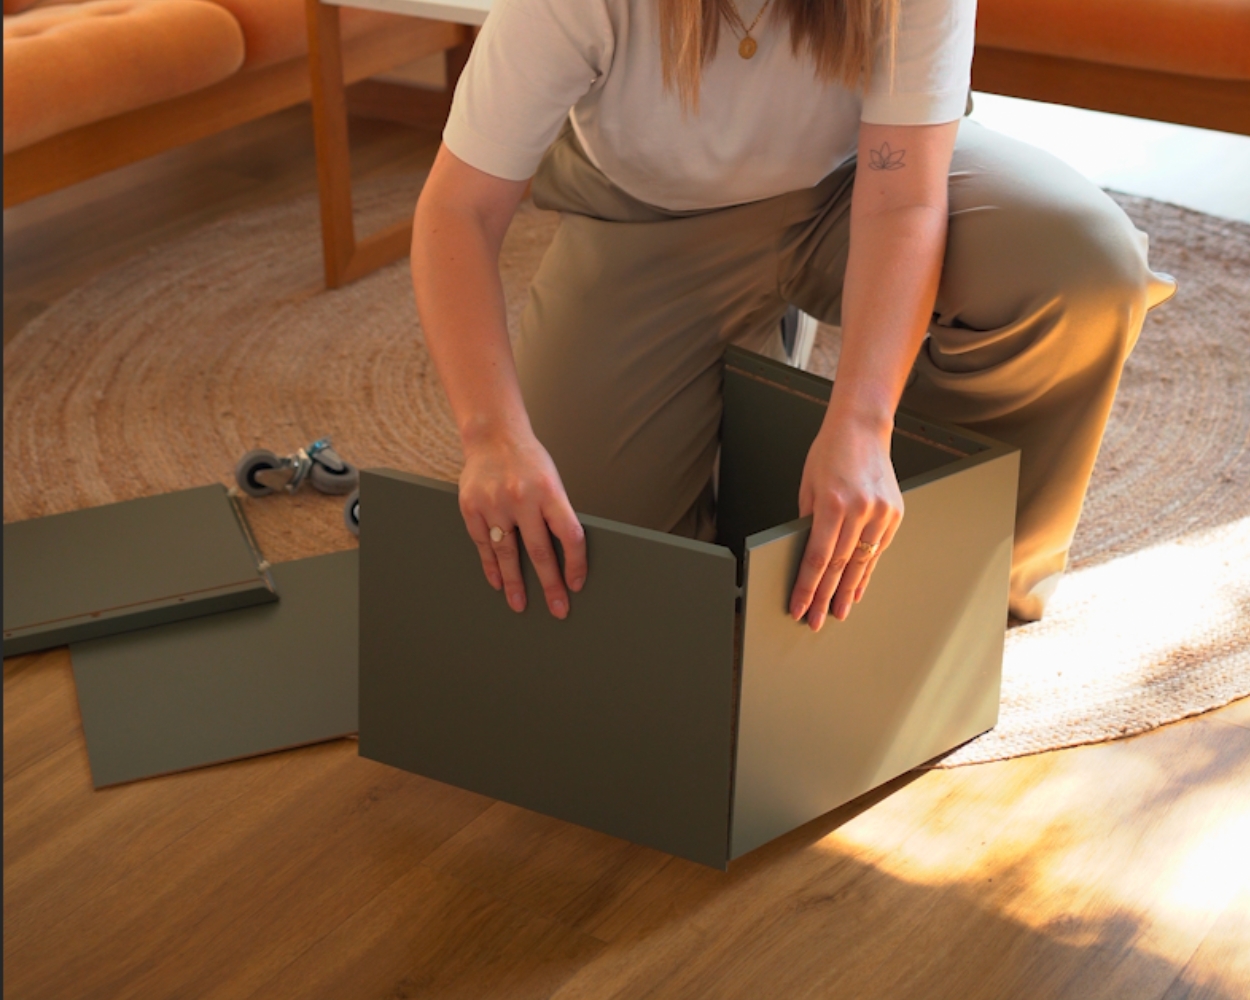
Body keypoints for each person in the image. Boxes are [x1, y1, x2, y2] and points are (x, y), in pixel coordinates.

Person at [411, 0, 1174, 632]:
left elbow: (905, 194)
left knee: (1082, 263)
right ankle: (763, 357)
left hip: (855, 188)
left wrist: (863, 427)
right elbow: (458, 211)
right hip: (649, 223)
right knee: (586, 582)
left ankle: (969, 588)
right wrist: (493, 437)